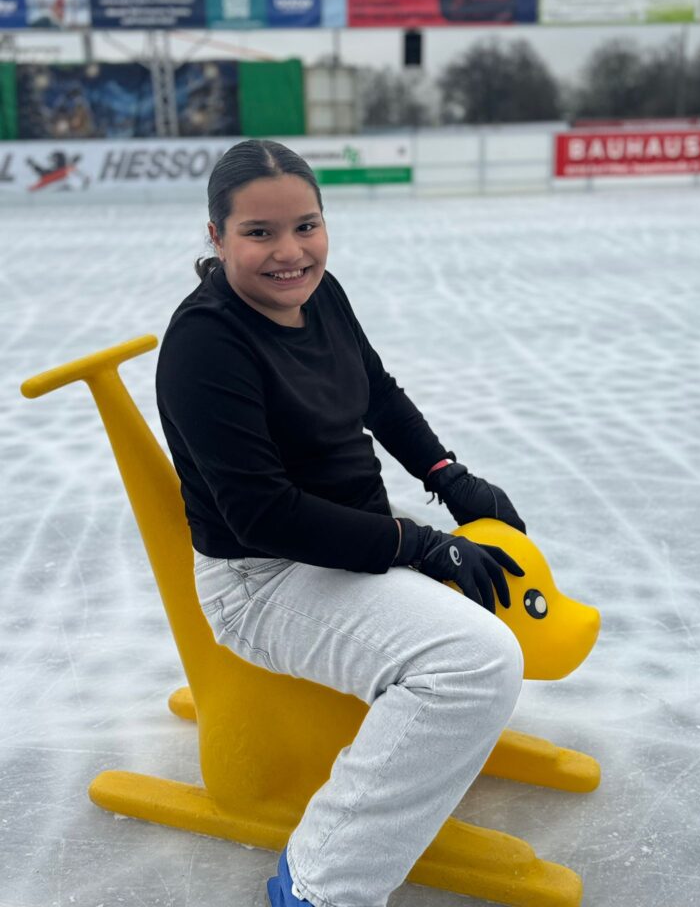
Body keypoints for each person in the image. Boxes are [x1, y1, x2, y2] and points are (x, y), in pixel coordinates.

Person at [155, 139, 528, 907]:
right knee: (474, 663)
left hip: (347, 533)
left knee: (495, 581)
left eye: (307, 226)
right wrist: (417, 546)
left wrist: (447, 477)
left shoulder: (320, 296)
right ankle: (322, 885)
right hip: (263, 579)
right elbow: (263, 515)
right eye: (259, 233)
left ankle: (423, 745)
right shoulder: (205, 346)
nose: (290, 252)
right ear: (217, 236)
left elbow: (377, 393)